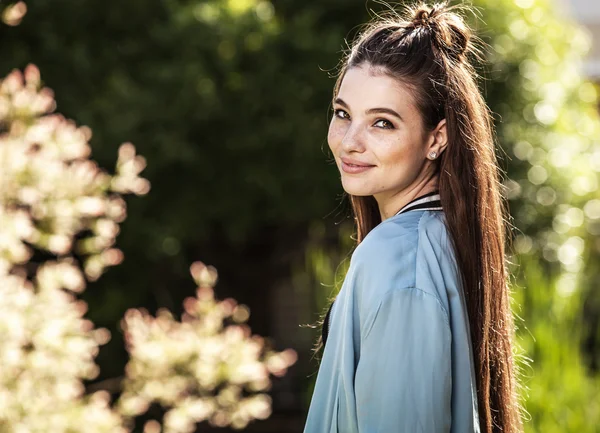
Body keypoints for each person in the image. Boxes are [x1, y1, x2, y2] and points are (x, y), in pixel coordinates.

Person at [303, 3, 522, 433]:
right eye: (343, 113)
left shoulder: (400, 259)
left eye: (382, 123)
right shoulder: (434, 239)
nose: (349, 142)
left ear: (436, 138)